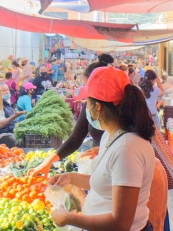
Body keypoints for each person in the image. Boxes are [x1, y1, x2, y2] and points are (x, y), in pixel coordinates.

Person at [48, 66, 156, 231]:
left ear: (97, 106)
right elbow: (106, 183)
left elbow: (120, 223)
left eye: (87, 101)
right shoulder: (111, 135)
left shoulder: (127, 149)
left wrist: (69, 218)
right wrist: (70, 177)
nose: (85, 105)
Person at [32, 54, 114, 177]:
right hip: (97, 169)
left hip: (113, 170)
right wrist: (48, 161)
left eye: (88, 87)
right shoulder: (89, 106)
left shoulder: (120, 110)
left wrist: (104, 150)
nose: (87, 94)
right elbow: (75, 139)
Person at [0, 83, 25, 147]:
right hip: (1, 135)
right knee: (16, 140)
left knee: (27, 136)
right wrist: (14, 116)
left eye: (8, 89)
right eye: (4, 90)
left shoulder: (7, 103)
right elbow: (1, 124)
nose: (7, 92)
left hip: (11, 132)